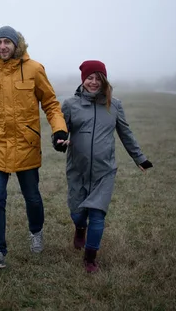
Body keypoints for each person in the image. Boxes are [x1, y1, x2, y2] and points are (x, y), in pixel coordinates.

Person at [0, 26, 68, 270]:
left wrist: (59, 129)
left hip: (26, 144)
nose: (3, 46)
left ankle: (36, 232)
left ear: (17, 45)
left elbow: (51, 104)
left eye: (7, 42)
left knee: (32, 198)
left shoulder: (35, 69)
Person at [59, 60, 153, 273]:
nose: (93, 82)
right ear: (83, 80)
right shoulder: (70, 104)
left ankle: (90, 258)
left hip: (104, 170)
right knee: (78, 213)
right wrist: (59, 142)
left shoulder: (115, 105)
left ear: (104, 81)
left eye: (98, 78)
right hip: (78, 170)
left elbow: (125, 133)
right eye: (89, 78)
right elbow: (60, 131)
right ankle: (79, 228)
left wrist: (139, 158)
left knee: (98, 214)